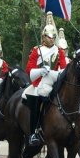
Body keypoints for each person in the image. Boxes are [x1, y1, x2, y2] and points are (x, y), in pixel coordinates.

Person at [24, 13, 67, 146]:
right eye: (49, 37)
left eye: (54, 37)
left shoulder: (59, 51)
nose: (52, 39)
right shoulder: (37, 50)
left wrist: (56, 73)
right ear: (43, 37)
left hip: (54, 80)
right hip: (39, 82)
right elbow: (29, 70)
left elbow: (64, 68)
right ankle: (34, 131)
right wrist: (40, 71)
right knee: (38, 95)